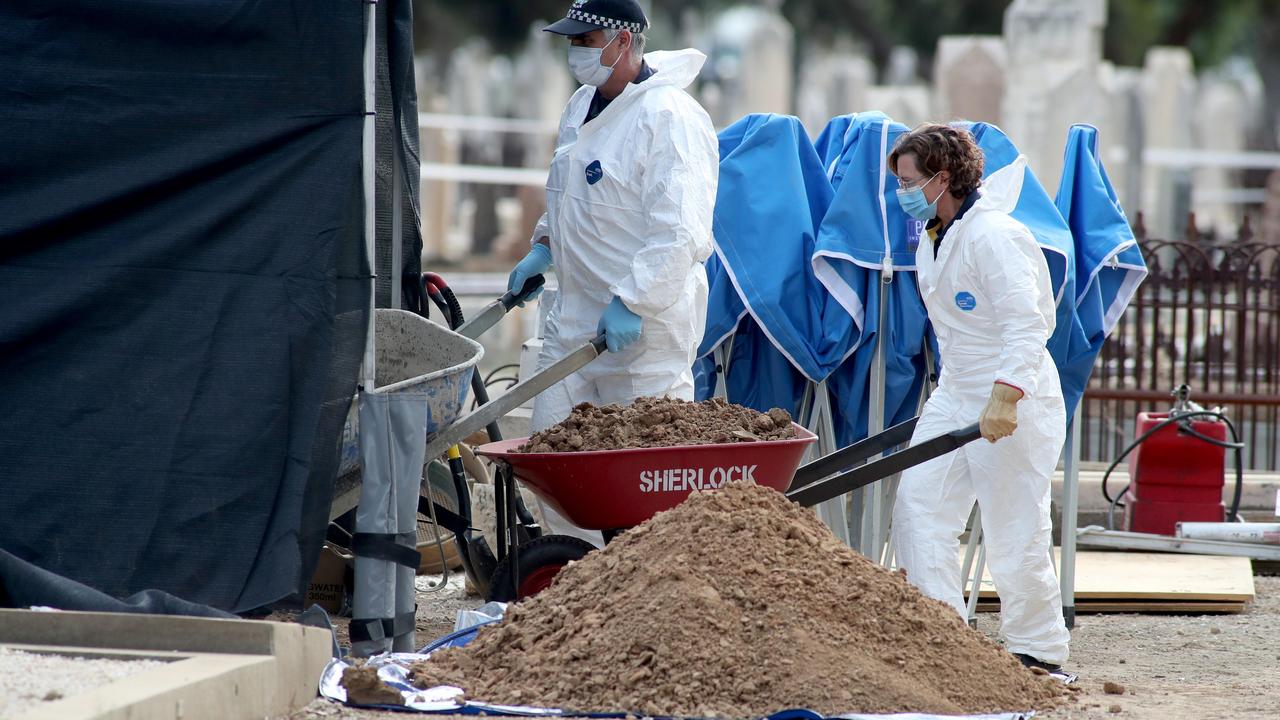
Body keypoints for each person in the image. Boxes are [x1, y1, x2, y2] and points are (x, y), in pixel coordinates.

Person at [506, 0, 718, 545]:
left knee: (643, 483)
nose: (575, 52)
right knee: (554, 460)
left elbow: (681, 231)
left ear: (622, 43)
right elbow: (569, 192)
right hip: (575, 319)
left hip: (643, 331)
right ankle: (576, 585)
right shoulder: (580, 104)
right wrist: (545, 246)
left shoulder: (671, 118)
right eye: (572, 42)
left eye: (585, 40)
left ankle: (643, 595)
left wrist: (634, 300)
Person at [886, 123, 1072, 673]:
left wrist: (1006, 395)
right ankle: (947, 644)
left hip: (1013, 393)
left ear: (943, 178)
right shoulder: (933, 234)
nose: (902, 192)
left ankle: (1039, 651)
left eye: (908, 181)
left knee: (1014, 526)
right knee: (918, 509)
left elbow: (1026, 322)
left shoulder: (995, 235)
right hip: (957, 389)